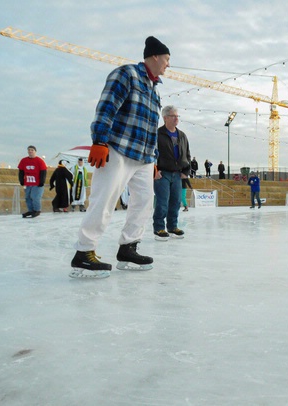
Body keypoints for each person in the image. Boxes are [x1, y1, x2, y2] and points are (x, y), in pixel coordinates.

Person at [70, 35, 170, 279]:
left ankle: (128, 247)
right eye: (167, 59)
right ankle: (84, 252)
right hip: (118, 149)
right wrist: (100, 141)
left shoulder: (155, 90)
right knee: (105, 200)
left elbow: (150, 127)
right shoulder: (126, 74)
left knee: (144, 202)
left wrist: (154, 159)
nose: (168, 65)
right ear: (154, 56)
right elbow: (106, 107)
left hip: (144, 157)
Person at [153, 105, 191, 241]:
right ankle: (159, 228)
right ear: (165, 118)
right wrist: (154, 171)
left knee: (175, 202)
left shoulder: (182, 135)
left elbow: (187, 154)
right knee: (162, 202)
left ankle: (172, 226)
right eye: (173, 116)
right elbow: (151, 154)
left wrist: (186, 171)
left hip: (177, 174)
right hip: (162, 174)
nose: (176, 118)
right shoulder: (158, 134)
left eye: (177, 116)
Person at [17, 145, 47, 218]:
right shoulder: (24, 160)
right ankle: (31, 210)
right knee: (28, 197)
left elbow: (43, 171)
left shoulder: (40, 161)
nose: (30, 151)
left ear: (35, 151)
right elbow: (21, 171)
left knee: (35, 196)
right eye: (29, 150)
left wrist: (42, 181)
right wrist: (21, 180)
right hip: (28, 183)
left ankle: (37, 210)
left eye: (32, 150)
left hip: (37, 183)